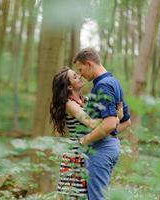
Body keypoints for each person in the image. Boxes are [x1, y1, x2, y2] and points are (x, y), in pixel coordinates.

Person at [50, 67, 124, 200]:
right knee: (71, 195)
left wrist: (113, 118)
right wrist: (114, 118)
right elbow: (91, 123)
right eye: (74, 76)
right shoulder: (69, 104)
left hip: (89, 152)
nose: (79, 76)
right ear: (69, 87)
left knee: (85, 195)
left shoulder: (87, 100)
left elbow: (103, 125)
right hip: (76, 154)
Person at [73, 47, 131, 200]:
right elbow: (126, 122)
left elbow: (110, 124)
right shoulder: (113, 82)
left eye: (80, 69)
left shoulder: (103, 86)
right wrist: (111, 134)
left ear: (89, 64)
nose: (80, 75)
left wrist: (84, 140)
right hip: (111, 147)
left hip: (101, 150)